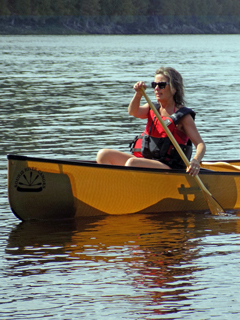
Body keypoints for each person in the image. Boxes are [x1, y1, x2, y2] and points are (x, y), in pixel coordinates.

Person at [96, 66, 206, 177]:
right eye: (154, 85)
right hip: (146, 162)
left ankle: (128, 189)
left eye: (161, 85)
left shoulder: (183, 117)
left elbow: (200, 144)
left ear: (173, 89)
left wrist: (195, 160)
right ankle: (112, 188)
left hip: (169, 168)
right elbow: (133, 112)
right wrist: (138, 94)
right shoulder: (152, 108)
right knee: (103, 155)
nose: (157, 89)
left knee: (132, 163)